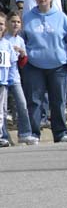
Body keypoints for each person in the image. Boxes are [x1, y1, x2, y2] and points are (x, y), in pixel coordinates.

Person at [21, 0, 67, 142]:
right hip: (33, 66)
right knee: (34, 101)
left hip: (59, 66)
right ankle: (34, 133)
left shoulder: (61, 17)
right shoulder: (27, 18)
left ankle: (61, 133)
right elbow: (21, 40)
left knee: (58, 101)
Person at [3, 11, 37, 145]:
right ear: (7, 23)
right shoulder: (3, 39)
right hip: (3, 78)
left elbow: (22, 64)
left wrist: (23, 54)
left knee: (22, 104)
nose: (15, 24)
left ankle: (25, 133)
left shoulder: (20, 40)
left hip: (15, 77)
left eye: (18, 22)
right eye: (13, 21)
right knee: (3, 108)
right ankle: (3, 135)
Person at [0, 12, 18, 147]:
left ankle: (1, 136)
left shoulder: (7, 44)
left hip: (3, 83)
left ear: (5, 26)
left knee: (1, 111)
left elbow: (12, 64)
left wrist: (10, 80)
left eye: (1, 24)